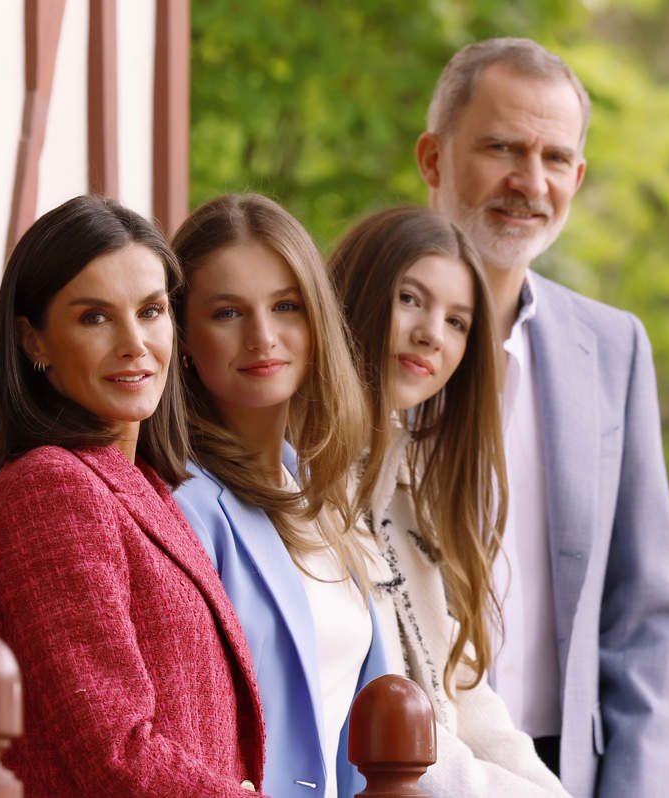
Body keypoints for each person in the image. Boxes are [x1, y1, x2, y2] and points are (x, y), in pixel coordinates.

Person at [414, 38, 669, 796]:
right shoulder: (354, 336)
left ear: (578, 176)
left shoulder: (614, 348)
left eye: (554, 157)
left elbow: (646, 620)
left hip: (565, 770)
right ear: (433, 159)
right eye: (502, 147)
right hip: (399, 765)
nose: (528, 182)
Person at [0, 195, 267, 797]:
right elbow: (115, 750)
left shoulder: (147, 487)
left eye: (152, 311)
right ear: (34, 341)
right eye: (94, 317)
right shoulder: (50, 488)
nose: (135, 343)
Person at [329, 204, 571, 797]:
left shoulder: (410, 488)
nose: (431, 333)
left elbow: (464, 697)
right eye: (410, 299)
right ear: (357, 293)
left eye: (458, 321)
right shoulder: (304, 482)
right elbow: (387, 732)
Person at [169, 193, 391, 798]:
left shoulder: (317, 495)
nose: (263, 337)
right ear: (182, 336)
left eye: (286, 306)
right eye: (227, 313)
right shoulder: (180, 507)